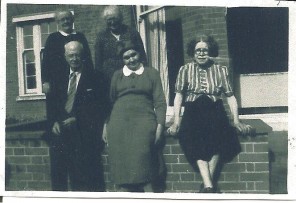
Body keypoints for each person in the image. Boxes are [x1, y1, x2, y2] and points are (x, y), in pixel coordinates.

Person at [167, 34, 252, 193]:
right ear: (192, 53)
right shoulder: (184, 70)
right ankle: (209, 185)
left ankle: (207, 186)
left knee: (220, 140)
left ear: (210, 51)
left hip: (215, 110)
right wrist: (176, 121)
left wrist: (236, 120)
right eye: (198, 50)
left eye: (205, 50)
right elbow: (178, 96)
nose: (201, 53)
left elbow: (230, 96)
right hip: (193, 111)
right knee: (192, 141)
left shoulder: (221, 70)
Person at [102, 40, 166, 192]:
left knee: (144, 162)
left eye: (133, 55)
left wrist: (160, 126)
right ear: (122, 60)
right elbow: (110, 102)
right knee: (121, 167)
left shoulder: (151, 73)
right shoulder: (117, 75)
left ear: (139, 54)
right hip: (118, 124)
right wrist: (105, 126)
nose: (131, 59)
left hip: (144, 121)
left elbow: (160, 102)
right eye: (126, 57)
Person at [47, 41, 107, 191]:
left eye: (77, 55)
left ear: (83, 56)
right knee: (59, 175)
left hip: (83, 134)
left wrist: (78, 119)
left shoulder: (95, 77)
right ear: (65, 57)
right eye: (71, 55)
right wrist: (53, 121)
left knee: (84, 177)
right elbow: (52, 102)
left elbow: (100, 107)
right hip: (61, 132)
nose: (74, 58)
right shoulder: (58, 77)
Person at [94, 5, 147, 99]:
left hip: (131, 76)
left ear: (121, 18)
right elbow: (98, 61)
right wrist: (99, 81)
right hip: (109, 79)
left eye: (115, 19)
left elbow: (142, 55)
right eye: (109, 20)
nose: (112, 22)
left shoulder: (131, 32)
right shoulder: (101, 37)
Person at [42, 9, 93, 95]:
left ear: (72, 20)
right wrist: (45, 81)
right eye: (62, 19)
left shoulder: (80, 37)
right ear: (58, 22)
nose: (66, 21)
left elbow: (88, 59)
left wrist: (90, 80)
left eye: (68, 19)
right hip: (56, 82)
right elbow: (46, 61)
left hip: (78, 80)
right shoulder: (52, 38)